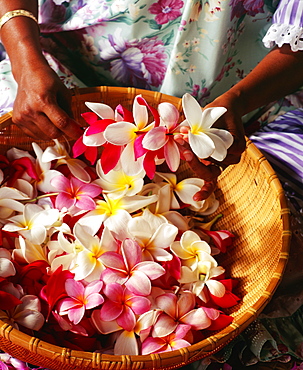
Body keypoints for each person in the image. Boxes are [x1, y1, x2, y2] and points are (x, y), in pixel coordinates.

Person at [0, 0, 303, 368]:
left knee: (282, 247)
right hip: (64, 73)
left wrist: (237, 103)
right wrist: (24, 58)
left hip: (242, 102)